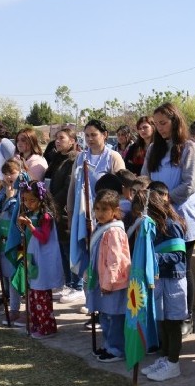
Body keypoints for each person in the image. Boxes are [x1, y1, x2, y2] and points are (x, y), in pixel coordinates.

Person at [142, 102, 195, 337]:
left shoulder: (189, 148)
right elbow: (145, 179)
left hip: (181, 219)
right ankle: (165, 314)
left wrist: (163, 203)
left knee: (183, 268)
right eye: (157, 124)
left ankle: (186, 316)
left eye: (164, 123)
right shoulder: (153, 149)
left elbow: (189, 184)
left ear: (176, 121)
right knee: (160, 267)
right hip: (157, 218)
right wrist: (152, 204)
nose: (160, 128)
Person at [64, 119, 125, 306]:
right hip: (84, 218)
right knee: (88, 259)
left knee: (105, 260)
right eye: (87, 135)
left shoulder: (113, 157)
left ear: (105, 135)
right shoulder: (81, 158)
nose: (90, 139)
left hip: (107, 220)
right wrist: (72, 212)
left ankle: (106, 304)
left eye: (94, 135)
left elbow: (122, 188)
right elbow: (73, 187)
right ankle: (91, 302)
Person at [137, 189, 189, 382]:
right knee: (163, 322)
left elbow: (178, 255)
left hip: (174, 281)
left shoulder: (172, 225)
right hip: (161, 280)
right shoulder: (153, 226)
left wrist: (153, 258)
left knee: (173, 323)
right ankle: (166, 358)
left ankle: (174, 363)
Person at [85, 189, 131, 363]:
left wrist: (109, 282)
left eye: (104, 210)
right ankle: (107, 344)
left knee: (115, 316)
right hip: (100, 280)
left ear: (115, 210)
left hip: (113, 283)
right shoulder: (100, 227)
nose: (99, 213)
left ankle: (116, 349)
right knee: (104, 315)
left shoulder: (114, 231)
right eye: (97, 209)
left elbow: (115, 260)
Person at [17, 179, 65, 339]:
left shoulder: (45, 216)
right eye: (25, 200)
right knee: (33, 294)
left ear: (41, 199)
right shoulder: (32, 214)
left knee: (41, 295)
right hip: (34, 258)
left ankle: (47, 328)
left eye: (32, 200)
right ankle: (37, 324)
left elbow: (43, 237)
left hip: (44, 261)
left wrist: (30, 226)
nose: (28, 203)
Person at [46, 128, 82, 302]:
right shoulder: (56, 159)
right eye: (56, 138)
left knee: (70, 249)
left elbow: (68, 186)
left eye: (61, 138)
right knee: (62, 248)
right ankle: (68, 283)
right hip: (55, 210)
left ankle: (78, 285)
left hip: (65, 209)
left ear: (72, 141)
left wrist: (52, 203)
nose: (57, 141)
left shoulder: (73, 159)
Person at [0, 160, 24, 325]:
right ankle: (8, 302)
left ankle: (15, 309)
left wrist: (11, 199)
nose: (8, 177)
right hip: (2, 237)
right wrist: (5, 197)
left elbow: (18, 213)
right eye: (5, 173)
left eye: (11, 173)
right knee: (4, 272)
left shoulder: (22, 192)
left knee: (14, 273)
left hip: (16, 241)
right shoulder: (3, 191)